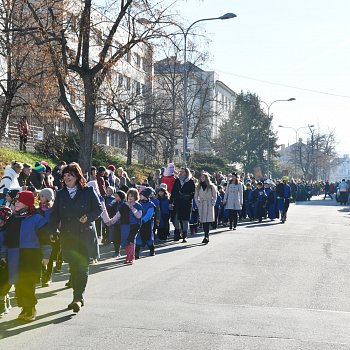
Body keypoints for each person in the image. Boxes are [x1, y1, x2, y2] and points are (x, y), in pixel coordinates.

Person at [48, 163, 103, 313]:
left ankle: (77, 298)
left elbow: (98, 209)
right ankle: (77, 294)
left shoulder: (88, 191)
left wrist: (89, 217)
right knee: (73, 267)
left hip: (85, 234)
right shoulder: (60, 194)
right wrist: (52, 231)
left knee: (82, 266)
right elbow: (54, 215)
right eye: (64, 176)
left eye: (69, 175)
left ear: (77, 177)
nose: (66, 178)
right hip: (68, 235)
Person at [0, 191, 51, 321]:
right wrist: (4, 254)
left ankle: (30, 309)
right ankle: (24, 308)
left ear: (27, 203)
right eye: (15, 201)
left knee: (27, 283)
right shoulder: (12, 218)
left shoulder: (37, 218)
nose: (15, 203)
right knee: (18, 284)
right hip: (13, 256)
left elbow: (45, 238)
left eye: (18, 201)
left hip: (30, 256)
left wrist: (46, 255)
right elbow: (6, 239)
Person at [108, 188, 142, 264]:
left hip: (134, 226)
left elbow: (139, 216)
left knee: (131, 240)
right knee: (126, 241)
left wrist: (132, 208)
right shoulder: (124, 205)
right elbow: (118, 215)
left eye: (132, 196)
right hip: (125, 225)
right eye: (129, 196)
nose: (130, 198)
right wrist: (111, 221)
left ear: (136, 197)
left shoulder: (138, 205)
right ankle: (128, 256)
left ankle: (132, 257)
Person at [170, 167, 196, 243]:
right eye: (180, 172)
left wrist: (187, 196)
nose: (180, 173)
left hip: (187, 203)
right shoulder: (177, 181)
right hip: (177, 202)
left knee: (185, 220)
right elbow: (173, 191)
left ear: (186, 173)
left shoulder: (191, 181)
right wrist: (171, 202)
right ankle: (177, 233)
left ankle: (184, 235)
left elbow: (193, 193)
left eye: (182, 172)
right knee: (175, 219)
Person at [194, 172, 217, 244]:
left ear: (207, 178)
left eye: (204, 177)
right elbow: (195, 196)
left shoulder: (211, 186)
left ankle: (206, 236)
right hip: (202, 204)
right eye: (201, 177)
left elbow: (215, 196)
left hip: (209, 204)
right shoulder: (198, 186)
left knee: (208, 221)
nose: (202, 178)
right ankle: (205, 235)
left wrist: (212, 203)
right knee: (203, 221)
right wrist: (198, 203)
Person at [135, 187, 156, 259]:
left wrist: (143, 220)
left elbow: (149, 215)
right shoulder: (138, 204)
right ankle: (137, 252)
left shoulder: (151, 205)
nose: (140, 196)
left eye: (141, 195)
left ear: (146, 196)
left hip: (147, 223)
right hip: (138, 222)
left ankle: (152, 249)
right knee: (138, 237)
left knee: (149, 237)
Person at [0, 206, 12, 317]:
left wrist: (4, 256)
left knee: (3, 282)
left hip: (4, 259)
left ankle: (3, 304)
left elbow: (5, 245)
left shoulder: (8, 231)